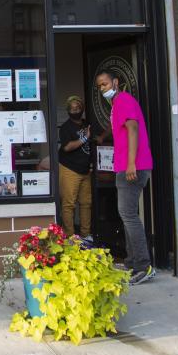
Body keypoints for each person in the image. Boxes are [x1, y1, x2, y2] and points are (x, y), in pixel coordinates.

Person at [95, 68, 155, 285]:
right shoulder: (117, 105)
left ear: (116, 82)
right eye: (100, 86)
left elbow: (132, 129)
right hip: (125, 167)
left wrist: (131, 163)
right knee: (128, 214)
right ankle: (132, 262)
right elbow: (120, 129)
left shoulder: (123, 100)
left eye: (105, 84)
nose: (102, 88)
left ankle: (143, 265)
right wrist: (103, 136)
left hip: (133, 168)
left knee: (128, 215)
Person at [58, 95, 93, 241]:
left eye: (78, 107)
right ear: (68, 110)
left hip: (86, 169)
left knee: (86, 203)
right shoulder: (66, 127)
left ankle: (86, 235)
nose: (75, 110)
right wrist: (84, 138)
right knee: (68, 204)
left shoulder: (87, 124)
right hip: (69, 169)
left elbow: (96, 139)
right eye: (72, 108)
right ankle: (70, 237)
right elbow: (67, 147)